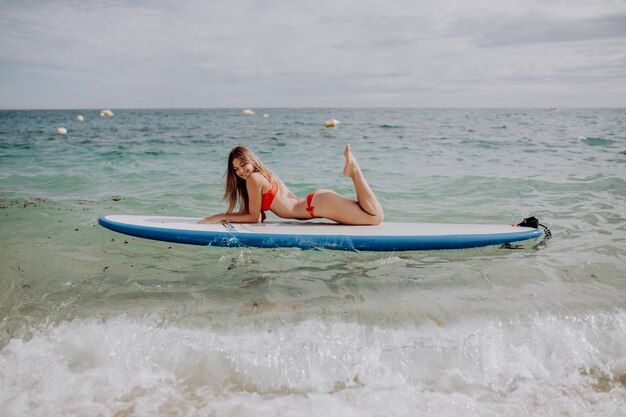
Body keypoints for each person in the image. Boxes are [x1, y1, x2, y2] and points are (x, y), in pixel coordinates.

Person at [198, 144, 384, 225]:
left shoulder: (254, 179)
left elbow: (253, 217)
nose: (240, 171)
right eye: (236, 169)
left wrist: (221, 216)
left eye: (243, 164)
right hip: (316, 203)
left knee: (375, 218)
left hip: (316, 205)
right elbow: (258, 216)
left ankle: (354, 170)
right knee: (371, 215)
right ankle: (353, 171)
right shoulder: (262, 174)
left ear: (251, 161)